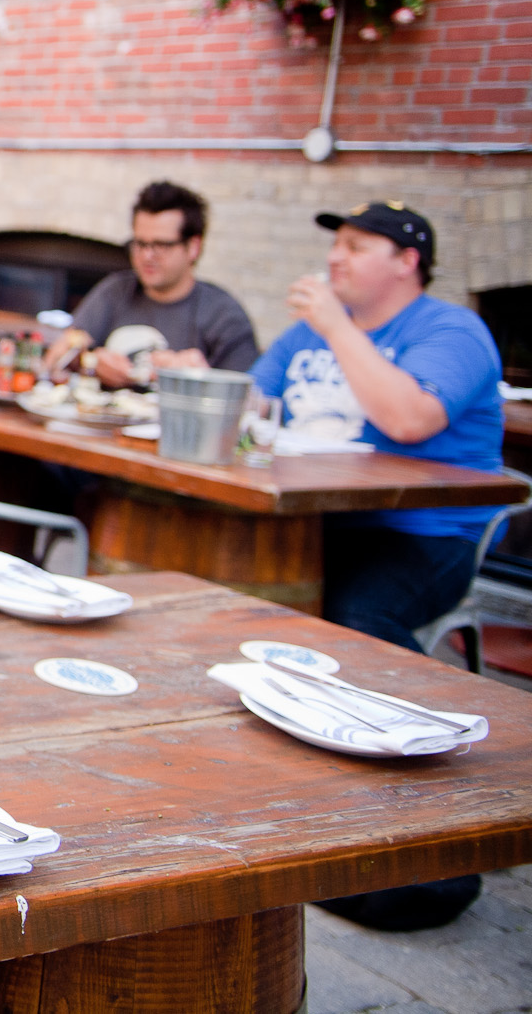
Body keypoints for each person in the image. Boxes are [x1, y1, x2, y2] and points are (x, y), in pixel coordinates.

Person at [251, 201, 505, 935]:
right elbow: (250, 403)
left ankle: (443, 852)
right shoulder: (305, 334)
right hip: (319, 522)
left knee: (359, 625)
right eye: (335, 245)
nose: (335, 258)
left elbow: (409, 419)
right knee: (247, 608)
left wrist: (337, 326)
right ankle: (301, 815)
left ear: (407, 260)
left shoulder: (449, 329)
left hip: (425, 533)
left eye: (356, 246)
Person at [57, 181, 258, 387]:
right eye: (140, 244)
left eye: (161, 245)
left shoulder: (224, 315)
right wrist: (89, 364)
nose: (147, 256)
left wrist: (198, 380)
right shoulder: (114, 291)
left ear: (193, 248)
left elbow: (248, 402)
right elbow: (55, 362)